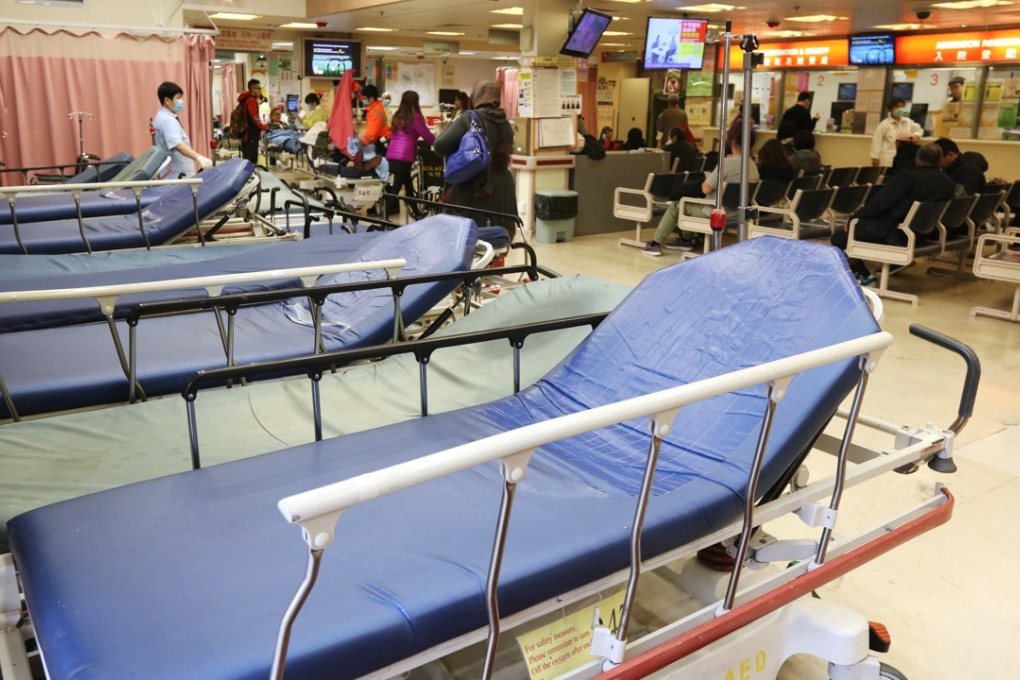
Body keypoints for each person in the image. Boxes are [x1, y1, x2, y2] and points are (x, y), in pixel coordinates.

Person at [831, 143, 955, 281]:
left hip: (897, 233)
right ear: (940, 160)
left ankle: (864, 275)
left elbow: (880, 204)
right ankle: (886, 267)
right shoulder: (948, 183)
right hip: (925, 234)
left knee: (840, 236)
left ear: (917, 159)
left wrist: (854, 217)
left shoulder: (907, 177)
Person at [642, 127, 759, 256]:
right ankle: (686, 240)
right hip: (738, 212)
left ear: (732, 143)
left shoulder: (727, 163)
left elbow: (705, 189)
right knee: (691, 204)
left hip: (716, 212)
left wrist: (708, 179)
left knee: (677, 205)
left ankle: (656, 243)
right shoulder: (753, 166)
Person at [434, 80, 519, 238]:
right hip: (504, 190)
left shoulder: (470, 118)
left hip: (476, 189)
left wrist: (454, 121)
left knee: (467, 241)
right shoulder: (506, 122)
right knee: (497, 240)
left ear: (476, 96)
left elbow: (440, 146)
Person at [385, 90, 436, 218]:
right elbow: (427, 136)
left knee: (408, 186)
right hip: (404, 156)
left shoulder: (397, 116)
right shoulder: (415, 117)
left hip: (392, 155)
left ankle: (417, 213)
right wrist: (439, 143)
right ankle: (384, 216)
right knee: (396, 187)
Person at [152, 81, 212, 178]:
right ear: (167, 101)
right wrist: (199, 158)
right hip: (177, 175)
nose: (181, 101)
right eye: (178, 98)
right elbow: (177, 145)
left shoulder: (162, 116)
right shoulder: (167, 120)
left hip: (176, 174)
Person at [869, 98, 922, 168]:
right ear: (891, 108)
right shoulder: (884, 124)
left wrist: (916, 135)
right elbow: (876, 141)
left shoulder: (907, 121)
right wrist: (875, 158)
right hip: (888, 158)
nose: (900, 109)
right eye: (897, 107)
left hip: (904, 158)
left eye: (902, 107)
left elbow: (919, 130)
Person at [236, 79, 268, 166]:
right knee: (251, 161)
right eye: (258, 88)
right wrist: (263, 126)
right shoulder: (251, 101)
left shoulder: (247, 99)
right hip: (250, 135)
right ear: (253, 89)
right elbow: (255, 118)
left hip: (247, 135)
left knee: (247, 160)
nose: (260, 90)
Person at [359, 84, 390, 148]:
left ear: (372, 99)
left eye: (364, 99)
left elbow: (370, 135)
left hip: (383, 140)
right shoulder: (377, 104)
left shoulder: (375, 113)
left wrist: (358, 143)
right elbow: (359, 95)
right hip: (385, 137)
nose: (363, 101)